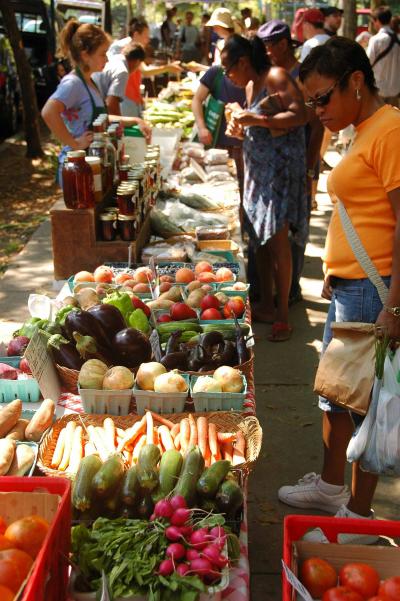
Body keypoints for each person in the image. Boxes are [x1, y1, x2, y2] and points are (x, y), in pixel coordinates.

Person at [278, 36, 400, 542]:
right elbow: (364, 207)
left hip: (377, 293)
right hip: (354, 285)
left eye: (322, 98)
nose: (316, 111)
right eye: (310, 101)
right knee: (336, 395)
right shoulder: (363, 127)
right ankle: (331, 489)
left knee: (364, 404)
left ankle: (359, 514)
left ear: (355, 81)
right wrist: (336, 265)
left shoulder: (390, 129)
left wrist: (393, 307)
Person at [222, 35, 308, 340]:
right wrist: (241, 124)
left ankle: (283, 314)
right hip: (258, 173)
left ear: (243, 62)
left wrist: (253, 118)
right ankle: (265, 304)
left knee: (278, 242)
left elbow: (300, 114)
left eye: (227, 68)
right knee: (257, 239)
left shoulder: (276, 76)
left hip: (281, 174)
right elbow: (258, 123)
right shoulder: (249, 86)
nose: (227, 76)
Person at [258, 20, 323, 305]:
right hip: (271, 170)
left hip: (298, 167)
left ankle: (291, 290)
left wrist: (310, 169)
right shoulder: (269, 74)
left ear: (283, 44)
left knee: (296, 231)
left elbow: (318, 125)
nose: (266, 51)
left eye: (269, 46)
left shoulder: (302, 77)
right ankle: (272, 290)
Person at [41, 21, 140, 185]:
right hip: (77, 171)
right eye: (102, 54)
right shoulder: (73, 83)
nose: (107, 59)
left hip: (90, 166)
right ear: (85, 54)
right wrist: (74, 144)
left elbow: (102, 119)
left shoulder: (90, 82)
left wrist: (135, 121)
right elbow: (48, 112)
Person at [107, 17, 182, 117]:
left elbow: (142, 71)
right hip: (125, 101)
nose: (148, 40)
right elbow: (145, 71)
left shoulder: (134, 48)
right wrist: (167, 67)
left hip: (133, 99)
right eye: (146, 36)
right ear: (136, 34)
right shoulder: (122, 47)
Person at [92, 42, 151, 141]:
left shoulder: (114, 59)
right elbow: (112, 105)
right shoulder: (122, 71)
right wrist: (120, 132)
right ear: (137, 62)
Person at [367, 6, 400, 107]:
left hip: (378, 90)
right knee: (393, 122)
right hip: (395, 90)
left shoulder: (376, 40)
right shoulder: (398, 40)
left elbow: (367, 63)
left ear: (377, 21)